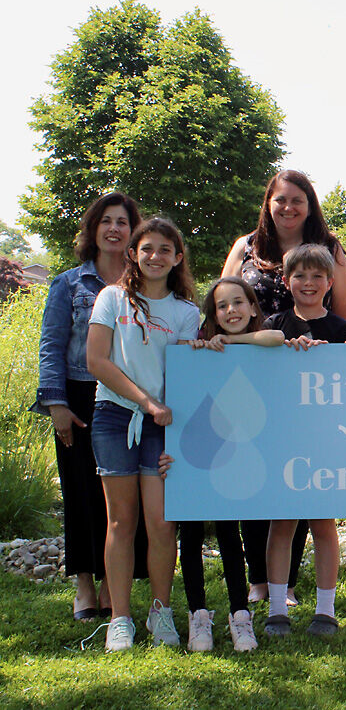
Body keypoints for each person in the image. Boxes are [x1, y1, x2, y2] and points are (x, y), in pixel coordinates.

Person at [222, 169, 346, 606]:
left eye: (297, 199)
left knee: (302, 488)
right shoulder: (246, 247)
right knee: (254, 476)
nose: (288, 207)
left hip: (313, 393)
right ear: (268, 203)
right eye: (280, 200)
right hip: (254, 378)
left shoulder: (329, 248)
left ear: (309, 205)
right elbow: (226, 298)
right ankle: (260, 580)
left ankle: (290, 585)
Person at [86, 217, 200, 652]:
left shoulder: (187, 313)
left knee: (161, 524)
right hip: (114, 416)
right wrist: (145, 401)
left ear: (178, 258)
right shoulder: (112, 298)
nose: (156, 256)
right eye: (147, 248)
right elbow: (97, 361)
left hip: (163, 425)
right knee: (121, 521)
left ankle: (160, 612)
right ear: (133, 253)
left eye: (165, 250)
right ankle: (119, 619)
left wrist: (163, 412)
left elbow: (186, 376)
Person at [33, 193, 148, 623]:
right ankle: (84, 581)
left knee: (121, 500)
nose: (115, 229)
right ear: (93, 229)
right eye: (107, 221)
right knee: (81, 494)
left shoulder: (145, 282)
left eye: (123, 222)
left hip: (130, 399)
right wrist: (55, 403)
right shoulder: (68, 284)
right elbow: (51, 345)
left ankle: (109, 583)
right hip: (80, 398)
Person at [176, 277, 286, 652]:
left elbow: (274, 339)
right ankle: (199, 616)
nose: (231, 311)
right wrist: (202, 347)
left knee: (229, 533)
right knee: (189, 534)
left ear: (253, 307)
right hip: (197, 452)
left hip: (237, 458)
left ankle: (240, 615)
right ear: (213, 314)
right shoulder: (200, 347)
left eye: (238, 303)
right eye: (222, 306)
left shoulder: (260, 341)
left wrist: (231, 342)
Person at [261, 244, 346, 637]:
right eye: (300, 276)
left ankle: (325, 611)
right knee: (282, 522)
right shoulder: (272, 325)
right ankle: (277, 608)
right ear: (286, 280)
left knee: (323, 522)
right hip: (283, 438)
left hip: (326, 438)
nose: (309, 283)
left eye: (318, 276)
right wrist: (284, 348)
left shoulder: (340, 329)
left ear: (330, 282)